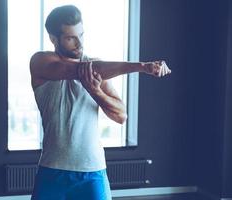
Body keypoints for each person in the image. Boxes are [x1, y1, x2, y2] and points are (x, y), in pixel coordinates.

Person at [29, 5, 171, 200]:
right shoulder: (41, 62)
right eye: (71, 38)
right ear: (54, 39)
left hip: (93, 170)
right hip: (52, 170)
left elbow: (121, 116)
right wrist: (142, 67)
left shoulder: (98, 70)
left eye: (81, 35)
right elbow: (79, 70)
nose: (79, 43)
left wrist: (95, 91)